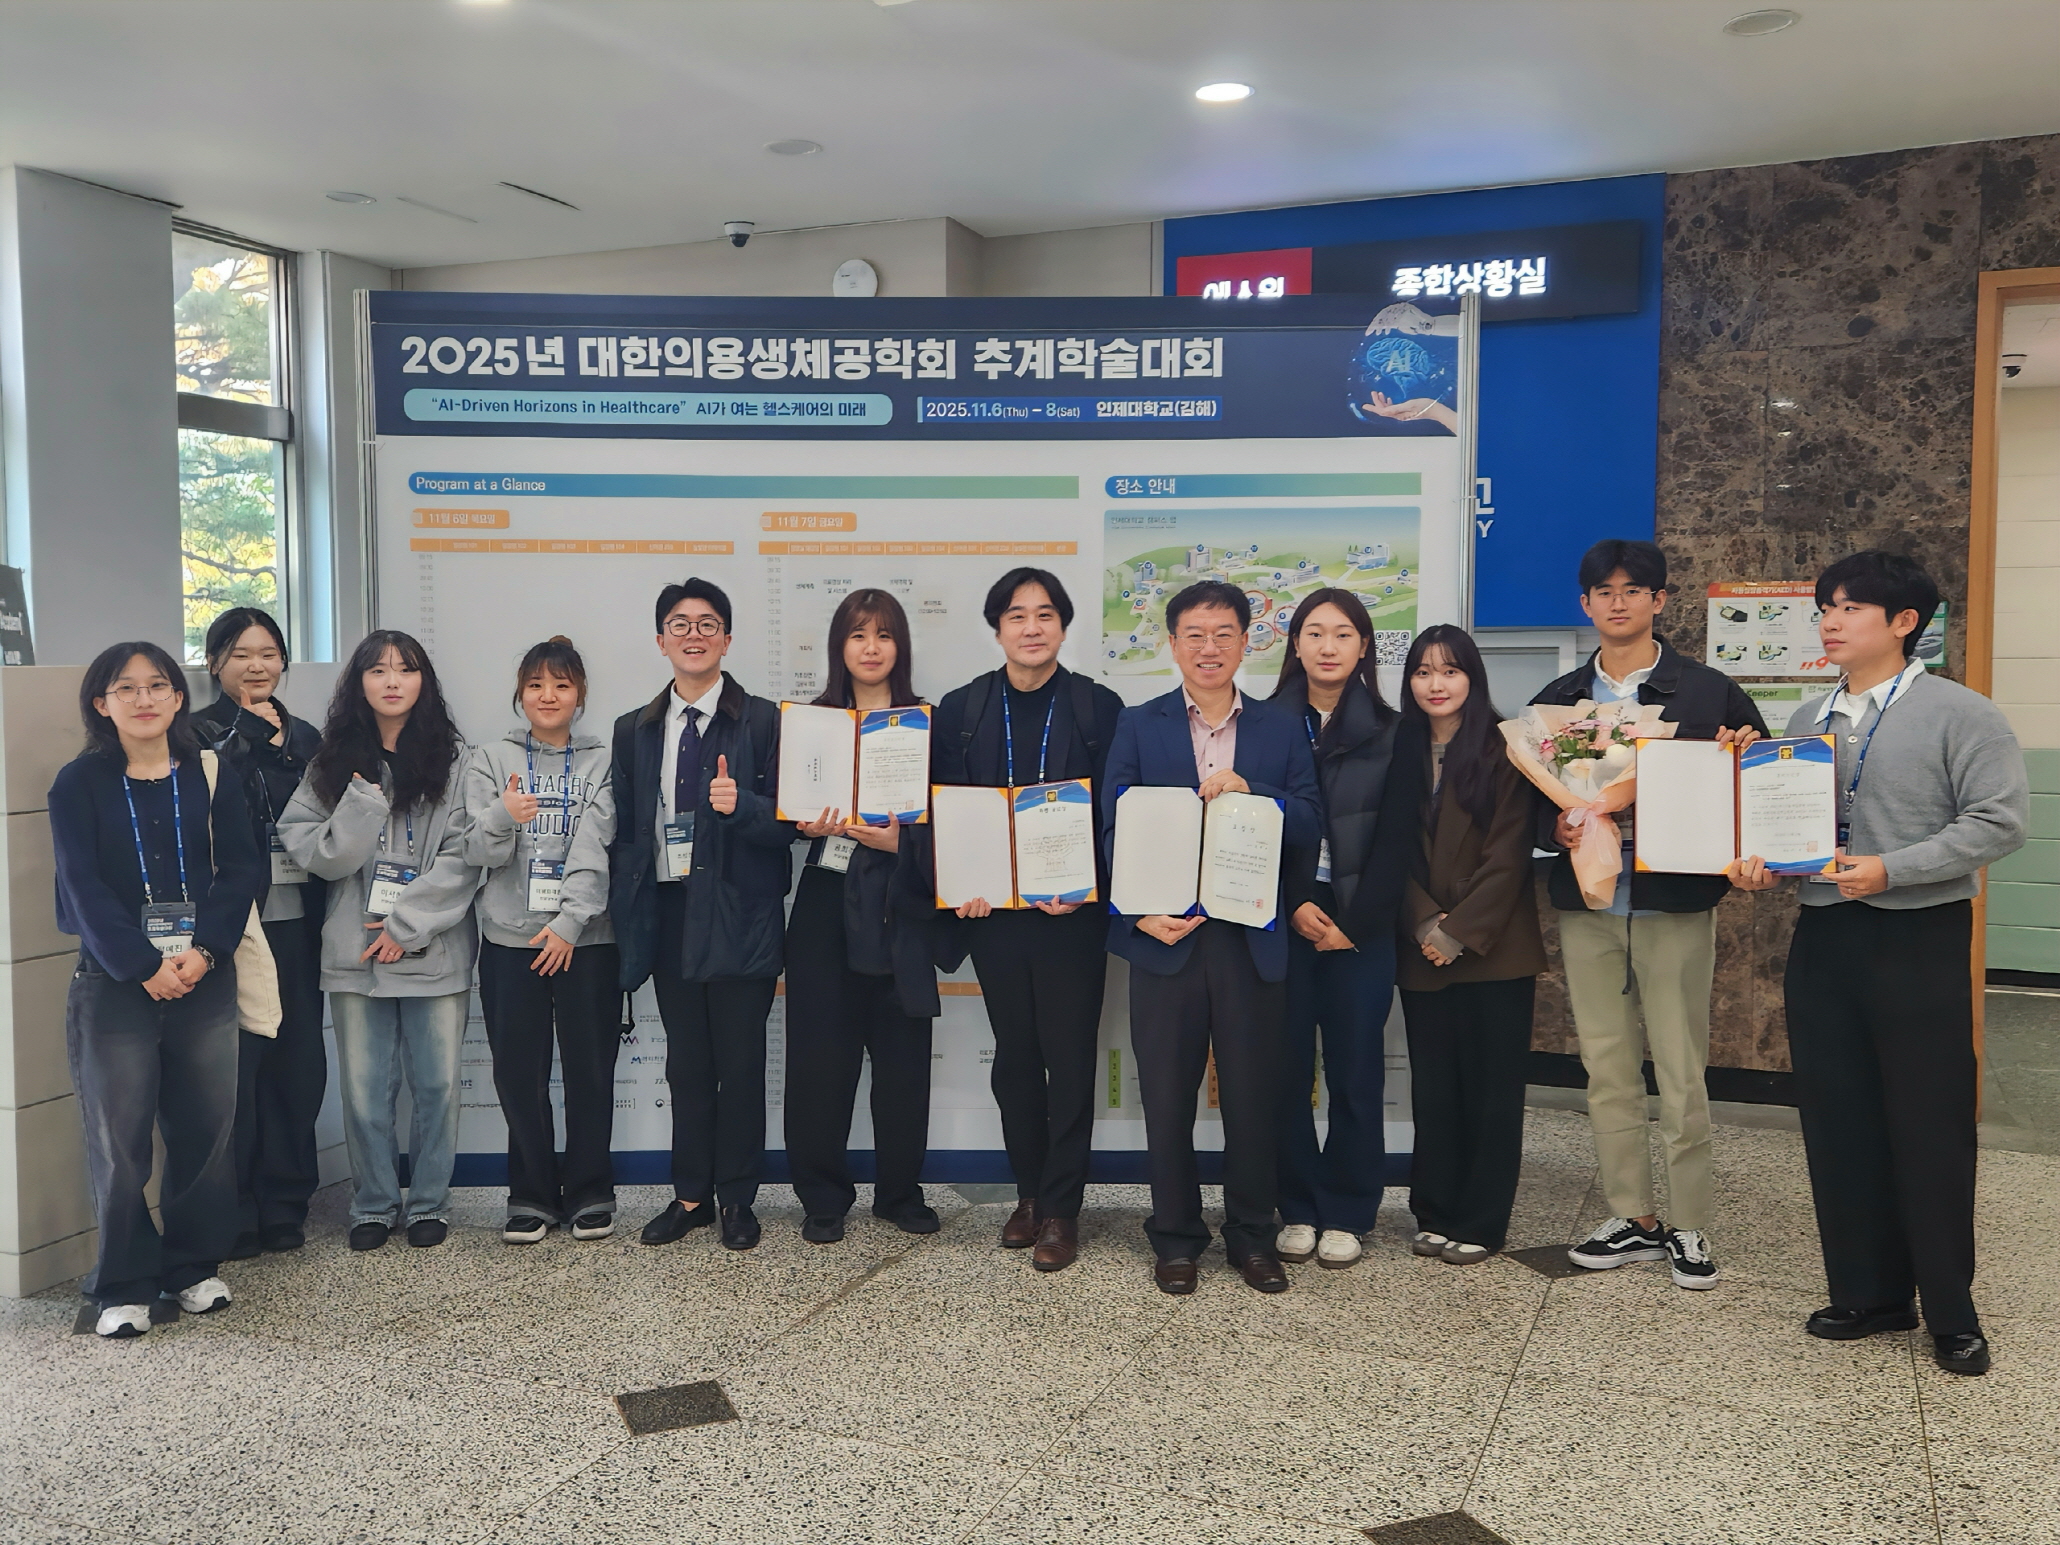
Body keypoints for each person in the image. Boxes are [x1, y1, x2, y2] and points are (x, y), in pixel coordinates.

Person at [1731, 552, 2027, 1376]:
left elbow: (2000, 822)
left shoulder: (1961, 713)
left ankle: (1952, 1312)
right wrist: (1760, 865)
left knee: (1929, 1124)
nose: (1830, 621)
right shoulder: (1807, 718)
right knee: (1840, 1118)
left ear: (1904, 622)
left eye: (1850, 607)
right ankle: (1869, 1292)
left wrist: (1892, 868)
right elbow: (1796, 835)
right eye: (1825, 607)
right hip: (1825, 938)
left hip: (1917, 938)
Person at [1531, 540, 1767, 1291]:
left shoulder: (1707, 692)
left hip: (1674, 901)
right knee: (1605, 1063)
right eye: (1603, 591)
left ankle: (1689, 1220)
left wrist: (1745, 751)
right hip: (1591, 903)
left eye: (1633, 589)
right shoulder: (1560, 698)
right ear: (1585, 604)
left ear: (1660, 600)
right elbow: (1531, 806)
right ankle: (1631, 1214)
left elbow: (1759, 778)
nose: (1618, 602)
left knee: (1680, 1065)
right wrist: (1557, 828)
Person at [1101, 579, 1322, 1296]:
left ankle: (1252, 1235)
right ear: (1172, 644)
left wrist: (1257, 795)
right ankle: (1175, 1237)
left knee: (1253, 1100)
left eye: (1223, 633)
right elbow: (1112, 827)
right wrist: (1137, 913)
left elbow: (1311, 820)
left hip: (1248, 939)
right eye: (1194, 634)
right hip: (1165, 941)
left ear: (1246, 642)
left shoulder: (1280, 727)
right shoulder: (1140, 724)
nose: (1208, 647)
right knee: (1166, 1101)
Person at [50, 642, 265, 1337]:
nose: (144, 699)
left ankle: (192, 1266)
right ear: (101, 702)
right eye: (126, 687)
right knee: (120, 1142)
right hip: (116, 982)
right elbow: (81, 886)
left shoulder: (210, 771)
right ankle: (122, 1284)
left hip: (203, 974)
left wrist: (204, 952)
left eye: (158, 685)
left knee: (205, 1130)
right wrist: (143, 963)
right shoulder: (78, 783)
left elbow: (241, 869)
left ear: (178, 697)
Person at [931, 567, 1123, 1271]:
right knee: (1015, 1059)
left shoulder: (1098, 706)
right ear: (998, 629)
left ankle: (1063, 1210)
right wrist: (960, 887)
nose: (1032, 627)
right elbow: (944, 809)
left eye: (1045, 615)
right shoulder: (963, 708)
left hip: (1071, 915)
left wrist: (1089, 887)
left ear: (1064, 627)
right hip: (995, 917)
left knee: (1069, 1060)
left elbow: (1116, 814)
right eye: (1017, 615)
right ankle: (1030, 1194)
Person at [279, 631, 480, 1252]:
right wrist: (361, 803)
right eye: (378, 670)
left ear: (425, 682)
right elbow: (317, 854)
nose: (392, 681)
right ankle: (371, 1204)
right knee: (365, 1091)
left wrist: (404, 925)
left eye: (406, 669)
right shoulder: (330, 763)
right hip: (353, 951)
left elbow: (465, 857)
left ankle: (429, 1203)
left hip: (432, 948)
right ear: (358, 683)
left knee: (437, 1087)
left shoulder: (457, 761)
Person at [608, 578, 788, 1254]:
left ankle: (737, 1197)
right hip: (668, 910)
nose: (694, 634)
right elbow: (628, 831)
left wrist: (743, 806)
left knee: (739, 1064)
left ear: (727, 640)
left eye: (708, 623)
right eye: (680, 624)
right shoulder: (635, 728)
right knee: (686, 1064)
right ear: (661, 641)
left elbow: (791, 823)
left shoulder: (764, 721)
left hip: (741, 913)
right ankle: (690, 1195)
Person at [786, 590, 945, 1243]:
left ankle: (900, 1192)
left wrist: (902, 841)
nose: (871, 647)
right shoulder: (811, 722)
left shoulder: (927, 723)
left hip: (899, 902)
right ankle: (823, 1195)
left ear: (900, 645)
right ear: (840, 646)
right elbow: (782, 813)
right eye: (858, 635)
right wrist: (800, 822)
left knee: (903, 1060)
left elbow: (951, 822)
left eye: (883, 634)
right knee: (820, 1059)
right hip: (826, 899)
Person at [1269, 589, 1420, 1270]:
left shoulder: (1396, 729)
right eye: (1314, 632)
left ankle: (1350, 1209)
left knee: (1356, 1071)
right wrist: (1293, 902)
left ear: (1364, 648)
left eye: (1343, 633)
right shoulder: (1263, 723)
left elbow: (1400, 839)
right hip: (1283, 917)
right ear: (1295, 643)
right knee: (1285, 1070)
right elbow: (1250, 831)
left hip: (1364, 922)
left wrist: (1355, 925)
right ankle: (1297, 1205)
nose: (1327, 646)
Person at [460, 637, 620, 1245]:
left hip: (587, 941)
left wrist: (571, 922)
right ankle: (529, 1194)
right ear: (520, 694)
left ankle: (590, 1191)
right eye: (535, 685)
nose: (548, 696)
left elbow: (597, 844)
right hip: (510, 941)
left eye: (561, 685)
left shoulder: (603, 761)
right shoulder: (489, 758)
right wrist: (504, 813)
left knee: (589, 1071)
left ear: (580, 694)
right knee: (518, 1073)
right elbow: (477, 849)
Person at [1397, 625, 1546, 1266]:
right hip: (1420, 946)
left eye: (1450, 671)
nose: (1436, 684)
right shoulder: (1396, 748)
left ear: (1472, 678)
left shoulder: (1506, 747)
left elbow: (1510, 853)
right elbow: (1386, 849)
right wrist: (1424, 923)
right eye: (1423, 671)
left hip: (1495, 949)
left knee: (1491, 1091)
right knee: (1434, 1089)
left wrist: (1457, 931)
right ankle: (1435, 1211)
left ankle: (1482, 1221)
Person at [192, 606, 327, 1259]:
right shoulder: (195, 732)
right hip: (231, 930)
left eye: (269, 653)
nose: (256, 666)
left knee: (297, 1069)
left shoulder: (304, 736)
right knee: (235, 1075)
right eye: (242, 653)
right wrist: (244, 739)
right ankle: (237, 1206)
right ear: (215, 661)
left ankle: (286, 1203)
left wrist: (279, 744)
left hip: (298, 925)